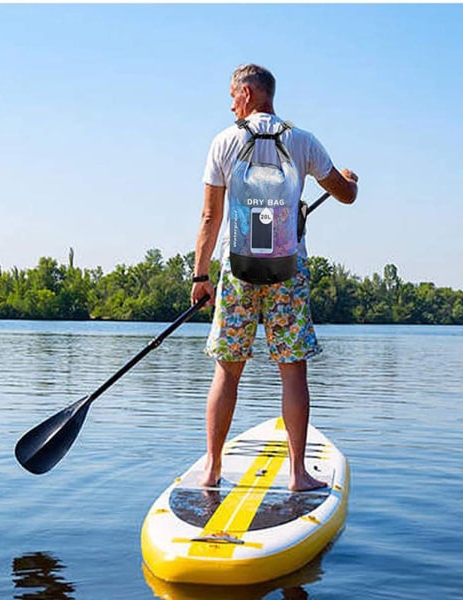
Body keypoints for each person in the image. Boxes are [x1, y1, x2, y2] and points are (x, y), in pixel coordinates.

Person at [191, 64, 358, 492]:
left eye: (232, 94)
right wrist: (350, 181)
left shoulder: (224, 141)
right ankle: (298, 474)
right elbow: (345, 194)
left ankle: (212, 469)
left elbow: (211, 216)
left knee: (227, 371)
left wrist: (201, 274)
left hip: (239, 268)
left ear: (248, 93)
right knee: (293, 370)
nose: (230, 104)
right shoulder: (302, 140)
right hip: (288, 269)